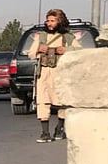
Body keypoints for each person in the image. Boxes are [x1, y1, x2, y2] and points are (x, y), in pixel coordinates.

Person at [28, 8, 81, 143]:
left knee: (62, 102)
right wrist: (39, 49)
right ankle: (45, 133)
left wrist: (66, 50)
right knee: (42, 102)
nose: (49, 23)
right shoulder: (42, 37)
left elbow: (80, 51)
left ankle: (59, 128)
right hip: (44, 73)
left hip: (61, 74)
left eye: (52, 21)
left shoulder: (68, 37)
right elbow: (30, 54)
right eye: (48, 20)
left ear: (60, 21)